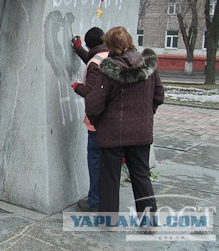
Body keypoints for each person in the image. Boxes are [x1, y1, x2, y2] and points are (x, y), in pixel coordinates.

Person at [85, 26, 164, 224]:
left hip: (113, 134)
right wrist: (145, 115)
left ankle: (108, 222)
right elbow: (159, 96)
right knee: (141, 175)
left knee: (109, 178)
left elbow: (94, 105)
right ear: (129, 41)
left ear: (110, 45)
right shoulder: (149, 67)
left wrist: (99, 123)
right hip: (141, 133)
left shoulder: (108, 70)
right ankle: (149, 222)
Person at [70, 27, 109, 212]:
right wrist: (79, 50)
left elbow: (92, 93)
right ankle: (106, 198)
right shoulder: (109, 55)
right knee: (106, 163)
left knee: (94, 161)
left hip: (96, 122)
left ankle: (94, 201)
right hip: (111, 120)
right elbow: (93, 62)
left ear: (89, 44)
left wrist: (77, 87)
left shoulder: (95, 61)